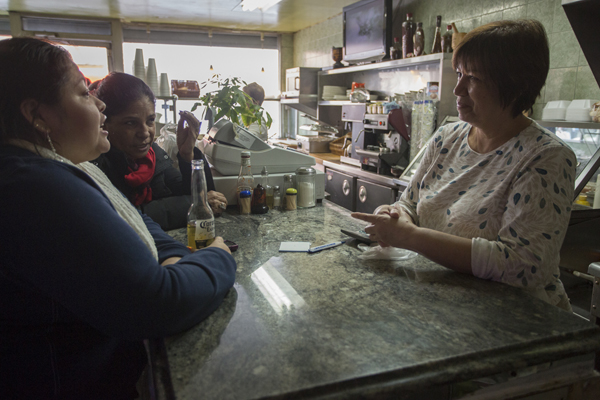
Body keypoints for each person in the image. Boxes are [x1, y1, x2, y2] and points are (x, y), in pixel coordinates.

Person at [0, 37, 236, 399]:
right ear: (37, 115)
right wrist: (218, 256)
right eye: (83, 94)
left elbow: (139, 225)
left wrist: (173, 257)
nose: (99, 105)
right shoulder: (35, 186)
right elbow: (156, 303)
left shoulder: (46, 169)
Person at [352, 20, 576, 311]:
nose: (457, 89)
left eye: (473, 79)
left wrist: (410, 237)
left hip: (515, 323)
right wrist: (392, 215)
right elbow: (409, 204)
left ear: (513, 84)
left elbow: (524, 267)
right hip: (445, 306)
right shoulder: (447, 137)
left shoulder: (546, 156)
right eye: (459, 74)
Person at [91, 72, 228, 231]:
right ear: (105, 123)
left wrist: (188, 155)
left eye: (150, 121)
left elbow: (191, 193)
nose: (144, 132)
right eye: (130, 123)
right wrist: (196, 204)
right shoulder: (96, 166)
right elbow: (125, 216)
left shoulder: (151, 155)